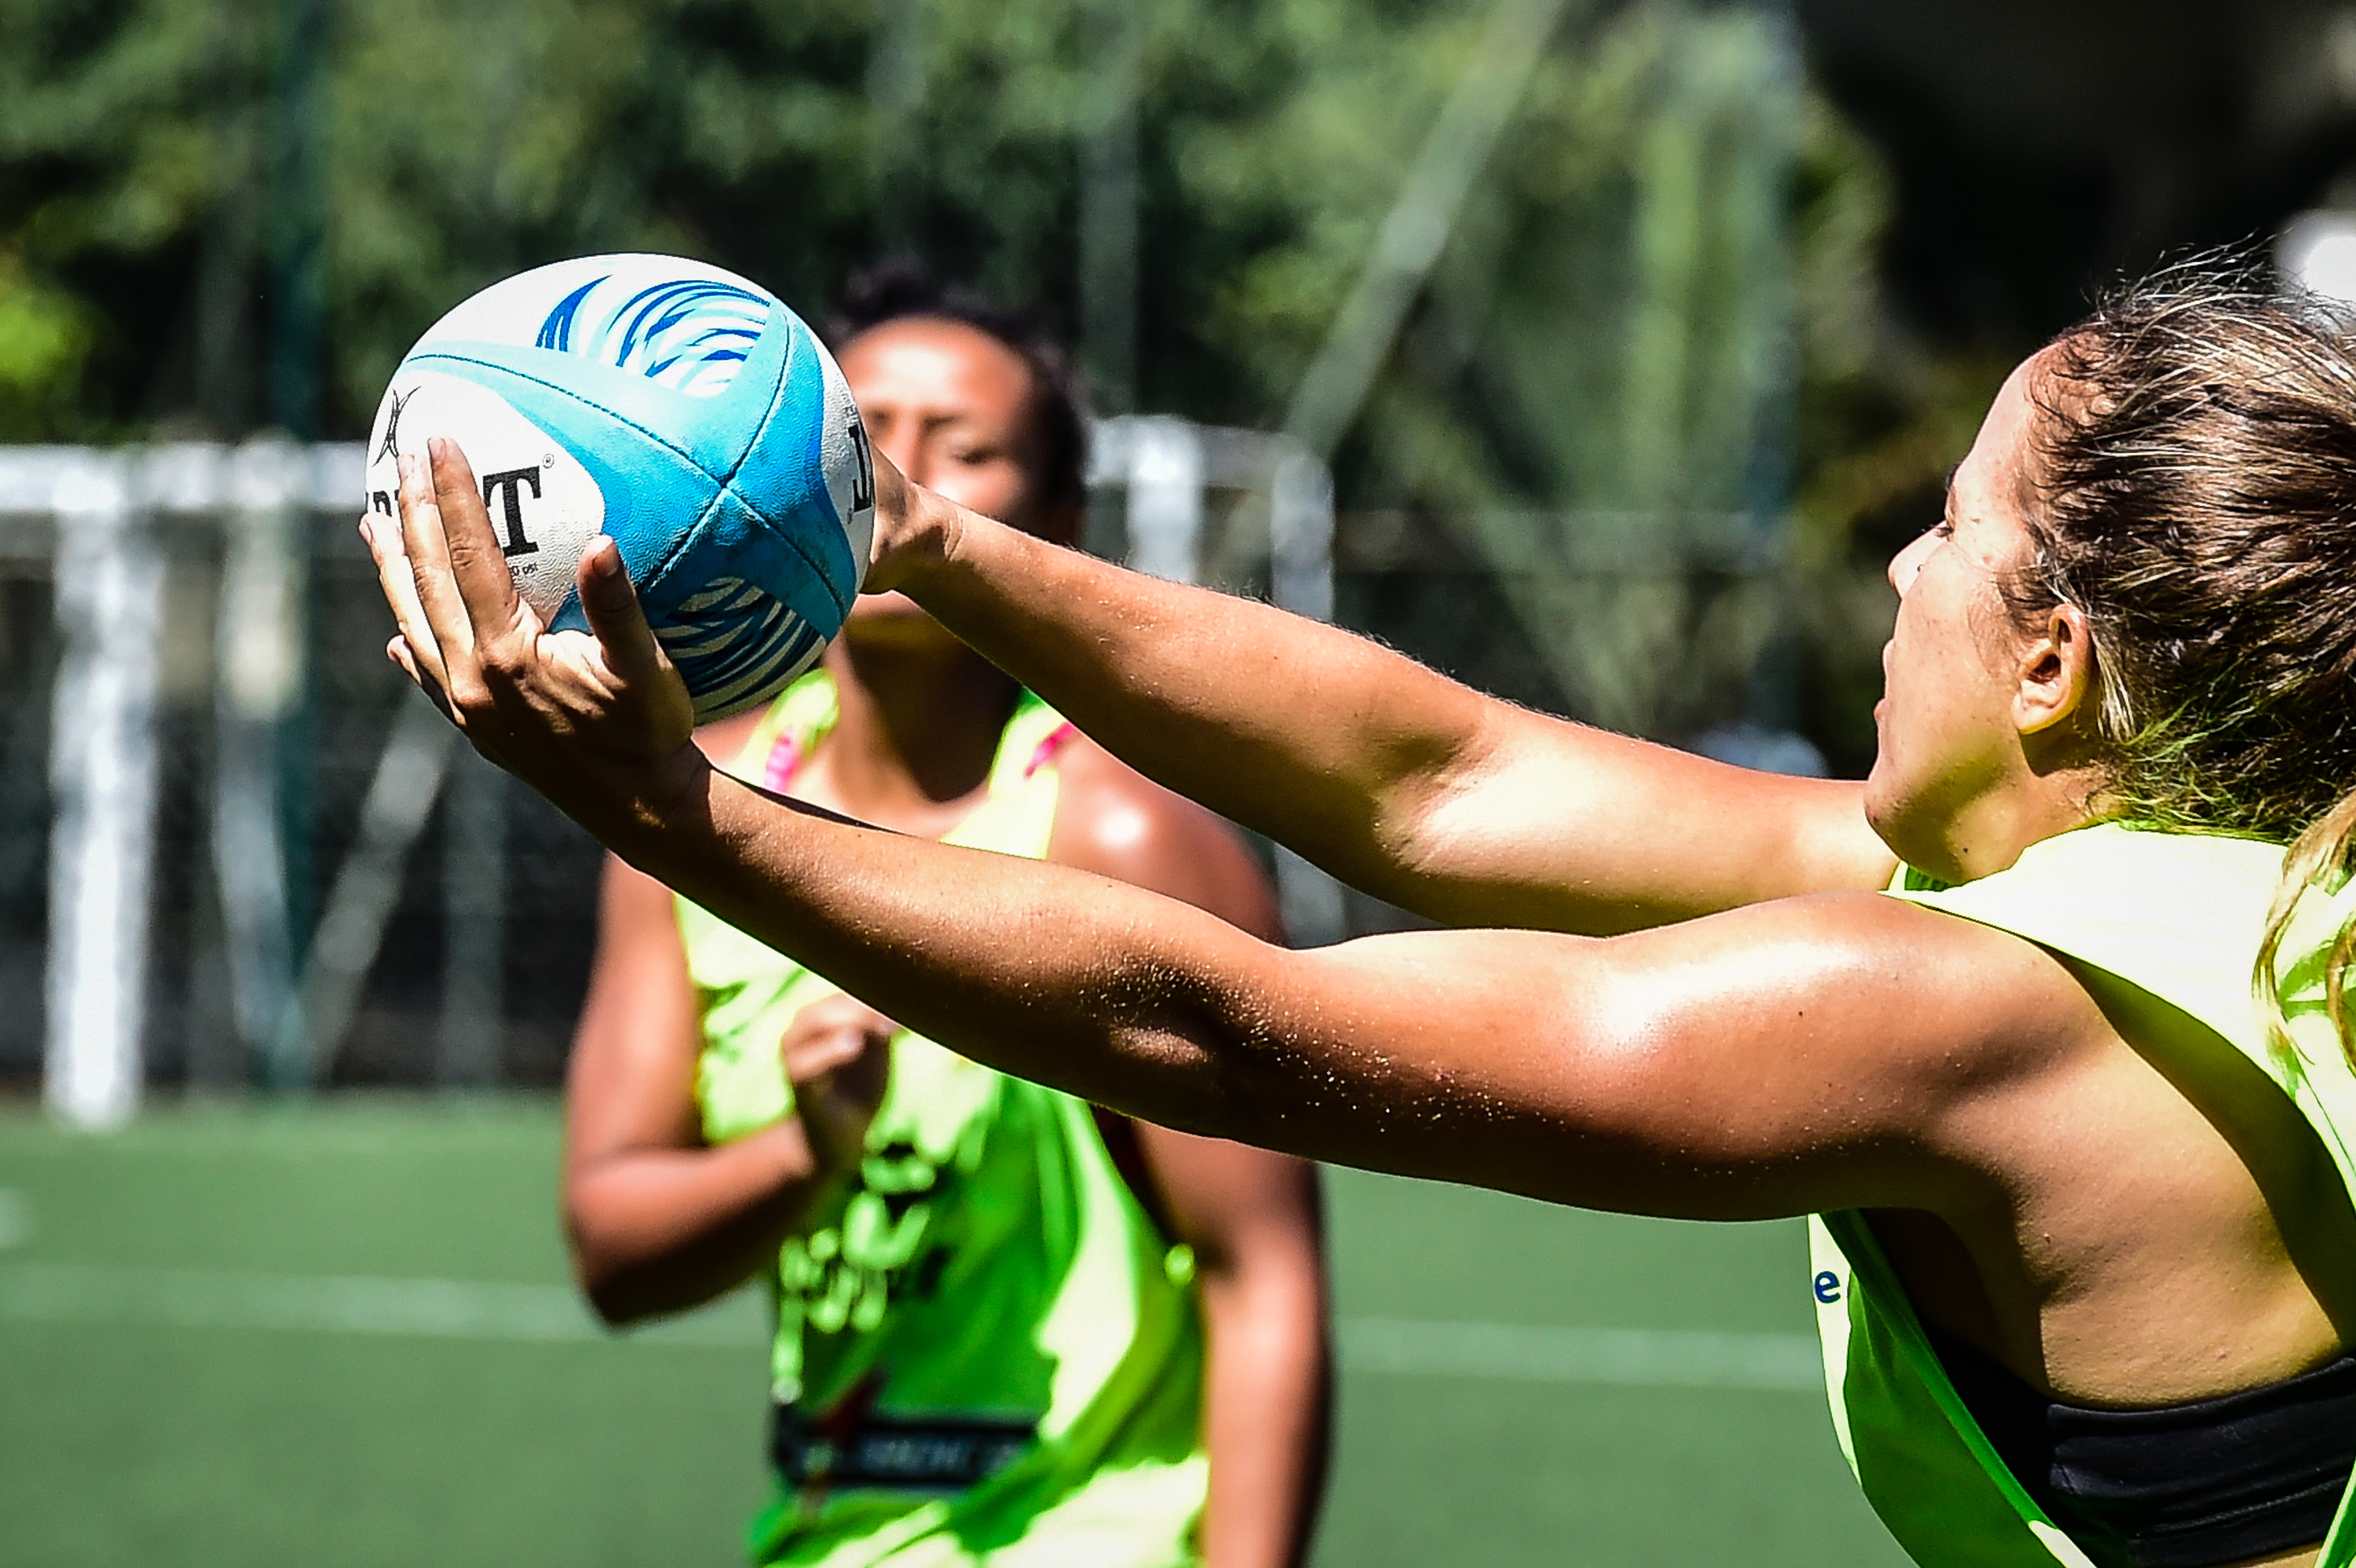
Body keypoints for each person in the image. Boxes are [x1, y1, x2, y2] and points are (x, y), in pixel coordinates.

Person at [370, 262, 2356, 1568]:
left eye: (1955, 526)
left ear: (2053, 669)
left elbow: (1223, 1031)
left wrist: (680, 819)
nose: (1906, 569)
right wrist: (927, 537)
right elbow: (1445, 784)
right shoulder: (2229, 900)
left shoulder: (1973, 1008)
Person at [558, 272, 1330, 1568]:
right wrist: (800, 1159)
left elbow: (1266, 1277)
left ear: (1061, 516)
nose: (892, 477)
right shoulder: (690, 825)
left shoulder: (1119, 837)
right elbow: (613, 1252)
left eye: (964, 447)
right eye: (853, 437)